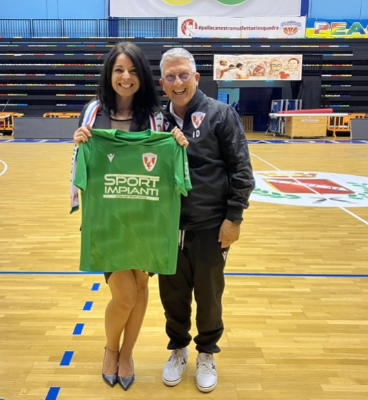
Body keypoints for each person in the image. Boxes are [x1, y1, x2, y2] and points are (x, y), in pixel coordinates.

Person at [73, 42, 188, 392]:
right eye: (119, 70)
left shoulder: (155, 117)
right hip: (108, 218)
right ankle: (111, 349)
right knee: (124, 295)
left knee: (140, 287)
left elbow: (165, 162)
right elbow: (82, 162)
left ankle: (127, 354)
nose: (126, 77)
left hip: (144, 216)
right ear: (109, 74)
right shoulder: (93, 111)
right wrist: (79, 142)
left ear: (142, 77)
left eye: (133, 71)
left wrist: (177, 140)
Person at [158, 48, 255, 393]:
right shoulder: (156, 121)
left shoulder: (221, 114)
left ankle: (206, 354)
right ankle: (178, 349)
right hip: (168, 228)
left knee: (209, 296)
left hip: (211, 226)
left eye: (184, 74)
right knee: (172, 296)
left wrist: (234, 218)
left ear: (196, 78)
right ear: (162, 83)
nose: (178, 82)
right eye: (170, 76)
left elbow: (242, 170)